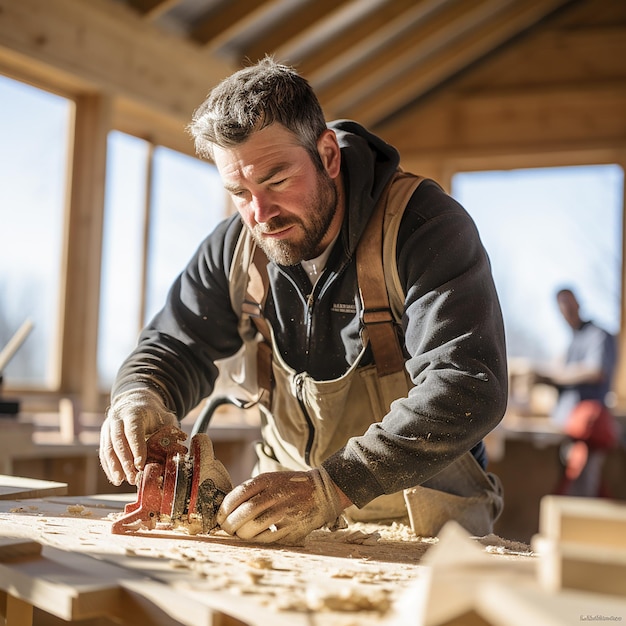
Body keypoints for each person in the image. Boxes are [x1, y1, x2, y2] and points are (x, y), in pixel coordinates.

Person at [99, 57, 508, 544]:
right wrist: (139, 393)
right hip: (281, 523)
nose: (260, 214)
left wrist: (332, 487)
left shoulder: (423, 227)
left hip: (423, 526)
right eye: (239, 192)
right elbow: (174, 343)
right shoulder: (235, 248)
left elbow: (466, 384)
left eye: (276, 181)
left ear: (329, 155)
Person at [534, 288, 618, 496]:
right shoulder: (574, 341)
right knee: (576, 483)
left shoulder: (597, 335)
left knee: (581, 490)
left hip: (588, 429)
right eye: (563, 308)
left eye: (570, 306)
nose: (567, 312)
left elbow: (595, 371)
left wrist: (554, 376)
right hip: (571, 427)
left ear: (578, 304)